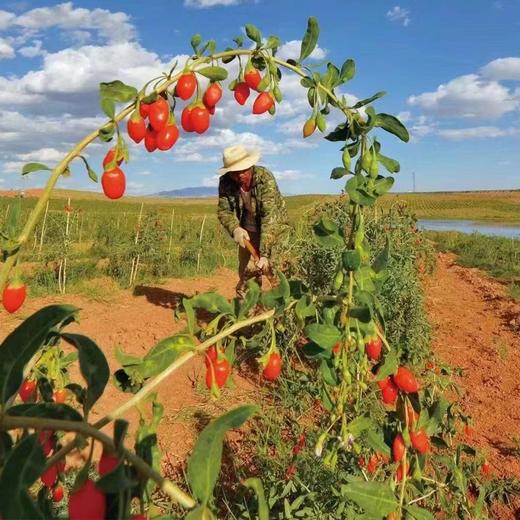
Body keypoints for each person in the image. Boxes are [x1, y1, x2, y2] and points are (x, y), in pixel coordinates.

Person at [217, 144, 289, 297]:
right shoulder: (225, 182)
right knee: (247, 273)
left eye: (242, 170)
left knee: (275, 272)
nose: (240, 176)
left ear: (250, 165)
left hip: (273, 231)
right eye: (234, 173)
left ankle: (279, 311)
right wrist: (235, 228)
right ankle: (251, 311)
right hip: (247, 232)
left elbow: (269, 217)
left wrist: (264, 253)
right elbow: (224, 211)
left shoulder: (264, 178)